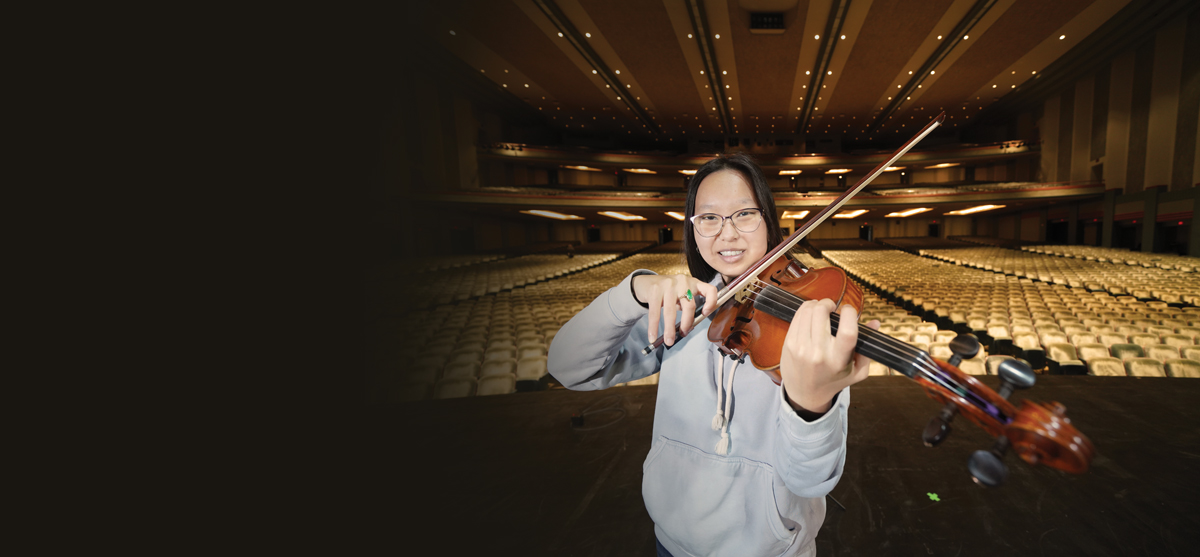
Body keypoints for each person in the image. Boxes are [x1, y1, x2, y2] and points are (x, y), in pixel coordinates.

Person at [548, 153, 879, 557]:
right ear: (693, 228)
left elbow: (811, 481)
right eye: (709, 218)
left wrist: (809, 404)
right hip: (672, 543)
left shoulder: (808, 331)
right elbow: (567, 368)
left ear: (769, 221)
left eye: (744, 215)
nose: (728, 235)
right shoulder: (683, 310)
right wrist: (634, 292)